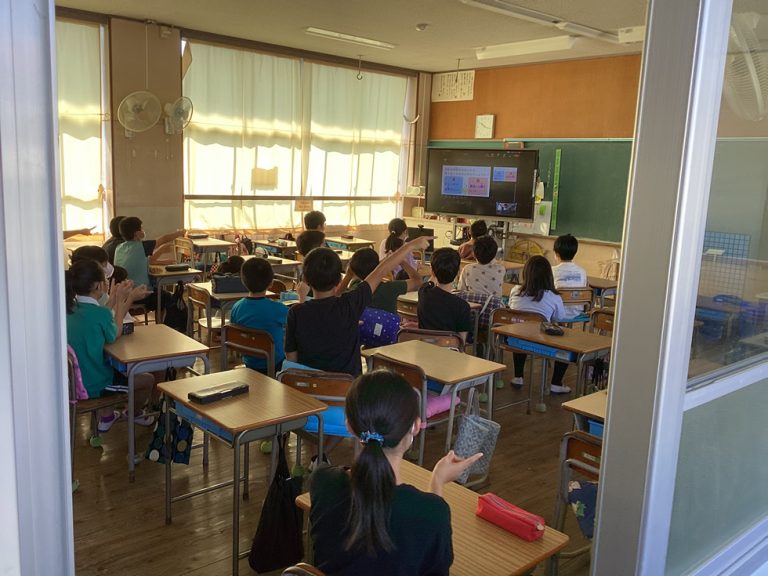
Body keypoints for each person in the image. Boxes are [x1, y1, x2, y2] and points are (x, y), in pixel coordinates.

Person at [310, 370, 482, 575]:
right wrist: (437, 483)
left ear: (349, 426)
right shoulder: (432, 512)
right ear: (416, 426)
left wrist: (436, 482)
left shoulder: (322, 481)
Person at [286, 236, 431, 376]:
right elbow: (380, 272)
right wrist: (409, 246)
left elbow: (292, 361)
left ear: (306, 279)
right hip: (346, 392)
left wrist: (302, 298)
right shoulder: (350, 304)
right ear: (338, 279)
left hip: (308, 392)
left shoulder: (296, 312)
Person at [65, 260, 155, 431]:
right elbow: (115, 333)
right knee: (147, 379)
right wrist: (122, 300)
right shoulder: (99, 314)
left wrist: (114, 297)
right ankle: (133, 413)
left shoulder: (72, 308)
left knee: (111, 364)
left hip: (74, 381)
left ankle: (107, 416)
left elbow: (101, 317)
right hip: (95, 383)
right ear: (99, 286)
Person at [507, 255, 571, 394]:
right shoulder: (553, 296)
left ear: (526, 272)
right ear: (549, 275)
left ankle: (518, 376)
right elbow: (560, 317)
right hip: (540, 342)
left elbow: (512, 309)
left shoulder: (516, 290)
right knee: (567, 345)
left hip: (513, 340)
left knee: (522, 329)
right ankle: (556, 383)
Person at [114, 216, 185, 313]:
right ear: (137, 233)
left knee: (161, 293)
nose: (143, 231)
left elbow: (142, 261)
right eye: (142, 228)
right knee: (167, 297)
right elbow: (164, 239)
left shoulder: (119, 248)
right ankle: (164, 325)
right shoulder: (142, 246)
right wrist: (180, 233)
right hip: (140, 294)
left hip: (122, 293)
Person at [230, 258, 288, 374]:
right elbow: (298, 322)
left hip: (249, 362)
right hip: (275, 364)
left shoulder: (236, 307)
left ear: (243, 281)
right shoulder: (278, 309)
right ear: (271, 282)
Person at [338, 248, 423, 314]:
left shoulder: (355, 287)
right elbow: (418, 281)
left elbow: (336, 295)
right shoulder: (390, 288)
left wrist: (348, 275)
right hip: (386, 335)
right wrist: (401, 261)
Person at [417, 247, 472, 344]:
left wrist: (434, 272)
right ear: (458, 272)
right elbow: (461, 342)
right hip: (449, 354)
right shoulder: (462, 306)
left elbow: (430, 282)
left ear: (432, 271)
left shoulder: (423, 292)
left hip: (424, 350)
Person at [552, 233, 588, 317]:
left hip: (556, 311)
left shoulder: (552, 270)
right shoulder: (582, 272)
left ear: (556, 254)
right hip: (576, 311)